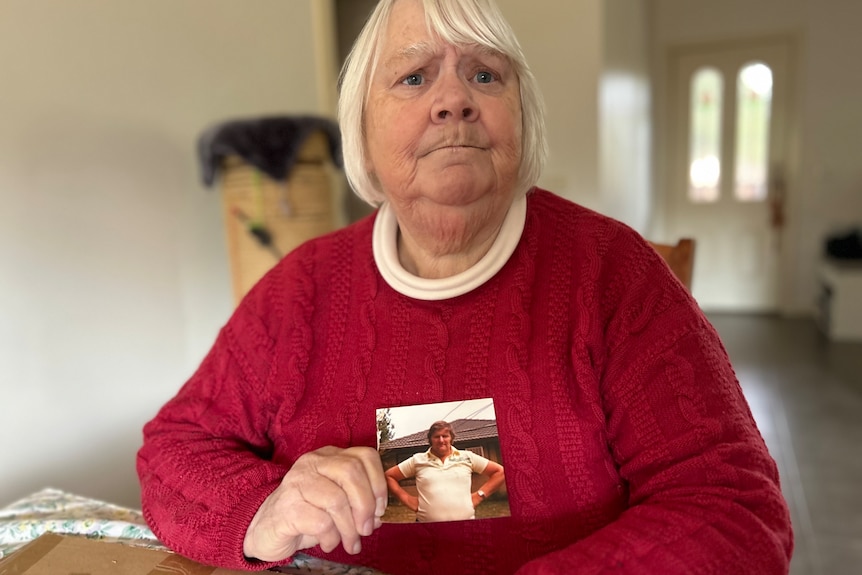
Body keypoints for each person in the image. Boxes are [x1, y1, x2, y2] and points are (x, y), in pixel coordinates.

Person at [137, 0, 793, 573]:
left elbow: (734, 510)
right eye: (414, 76)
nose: (453, 100)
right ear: (364, 129)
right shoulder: (299, 291)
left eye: (484, 74)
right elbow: (174, 451)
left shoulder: (612, 272)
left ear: (522, 117)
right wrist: (267, 510)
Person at [385, 421, 506, 522]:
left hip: (465, 525)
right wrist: (407, 499)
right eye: (437, 436)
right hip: (427, 527)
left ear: (451, 438)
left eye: (445, 436)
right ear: (430, 439)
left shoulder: (467, 457)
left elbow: (499, 472)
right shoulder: (418, 460)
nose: (441, 440)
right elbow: (389, 476)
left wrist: (479, 495)